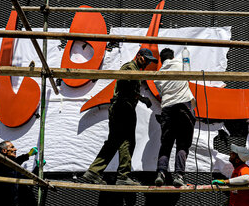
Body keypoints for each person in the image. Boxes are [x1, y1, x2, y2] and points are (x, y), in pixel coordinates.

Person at [80, 48, 156, 186]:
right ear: (138, 56)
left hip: (123, 107)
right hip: (123, 107)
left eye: (149, 62)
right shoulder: (129, 67)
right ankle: (119, 175)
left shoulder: (136, 70)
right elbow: (124, 83)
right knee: (124, 141)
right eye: (146, 59)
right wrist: (139, 97)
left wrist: (141, 98)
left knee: (119, 142)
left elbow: (128, 88)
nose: (147, 63)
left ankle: (96, 172)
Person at [153, 48, 196, 187]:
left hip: (167, 108)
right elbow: (188, 73)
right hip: (183, 106)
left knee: (166, 144)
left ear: (161, 60)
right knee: (182, 143)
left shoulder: (158, 75)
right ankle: (179, 175)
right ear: (172, 57)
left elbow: (161, 92)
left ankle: (161, 173)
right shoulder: (181, 63)